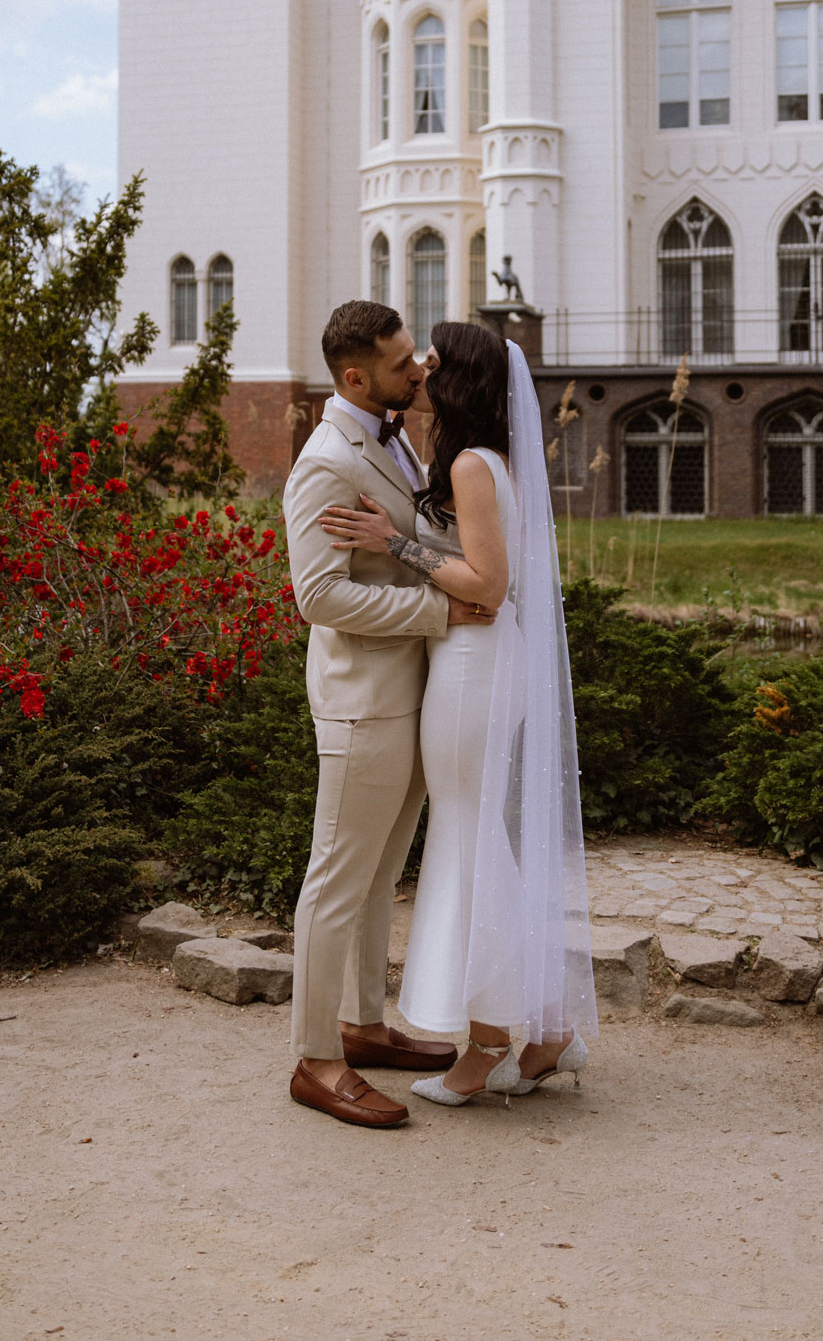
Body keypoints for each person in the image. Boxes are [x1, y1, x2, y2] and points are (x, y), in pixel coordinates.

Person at [320, 320, 597, 1106]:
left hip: (472, 667)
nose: (417, 374)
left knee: (471, 842)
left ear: (462, 384)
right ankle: (543, 1032)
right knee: (476, 840)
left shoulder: (474, 465)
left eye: (430, 366)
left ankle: (486, 1051)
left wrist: (390, 541)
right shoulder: (478, 459)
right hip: (472, 665)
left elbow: (486, 582)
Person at [282, 300, 500, 1129]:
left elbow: (414, 544)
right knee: (336, 880)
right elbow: (319, 596)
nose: (420, 371)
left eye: (419, 357)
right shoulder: (326, 463)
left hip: (412, 691)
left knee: (378, 878)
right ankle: (315, 1060)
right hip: (360, 702)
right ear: (353, 375)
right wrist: (440, 616)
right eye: (403, 361)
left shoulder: (397, 434)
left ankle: (365, 1025)